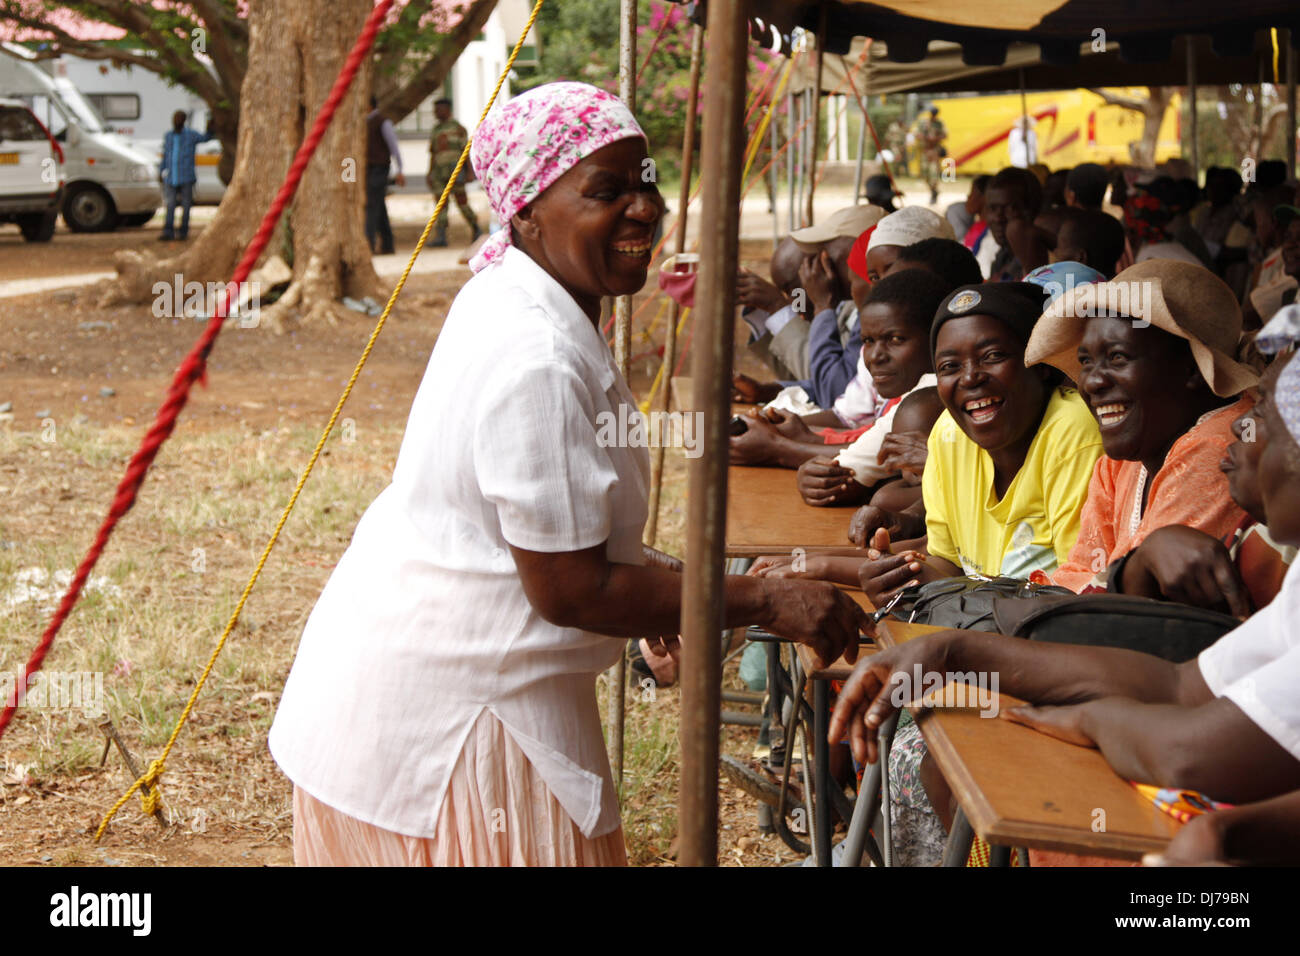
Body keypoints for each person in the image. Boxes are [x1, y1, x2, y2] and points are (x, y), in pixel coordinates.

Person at [267, 82, 869, 867]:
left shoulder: (533, 302)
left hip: (423, 701)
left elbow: (540, 531)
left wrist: (662, 582)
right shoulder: (537, 353)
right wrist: (761, 598)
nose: (645, 209)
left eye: (646, 180)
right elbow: (571, 590)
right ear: (525, 212)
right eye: (605, 189)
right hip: (459, 735)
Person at [829, 344, 1300, 864]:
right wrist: (954, 653)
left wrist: (1091, 720)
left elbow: (1186, 753)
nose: (1239, 429)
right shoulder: (1123, 458)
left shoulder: (1192, 450)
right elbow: (1181, 684)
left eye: (1259, 418)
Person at [1027, 259, 1260, 592]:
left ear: (1194, 369)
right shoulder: (1121, 460)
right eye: (1085, 361)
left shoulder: (1222, 443)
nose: (1091, 381)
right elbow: (1079, 575)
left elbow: (1125, 603)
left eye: (1118, 357)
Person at [427, 97, 481, 248]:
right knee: (440, 204)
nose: (436, 113)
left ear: (447, 110)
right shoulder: (435, 130)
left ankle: (476, 229)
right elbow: (433, 153)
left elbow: (466, 151)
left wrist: (470, 172)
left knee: (462, 202)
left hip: (455, 172)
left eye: (439, 110)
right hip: (439, 172)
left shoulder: (458, 129)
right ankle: (441, 236)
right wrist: (429, 173)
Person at [158, 110, 214, 241]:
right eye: (175, 118)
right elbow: (166, 155)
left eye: (179, 118)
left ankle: (183, 232)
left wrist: (211, 127)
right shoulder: (169, 136)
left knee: (186, 205)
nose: (176, 121)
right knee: (170, 204)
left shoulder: (191, 135)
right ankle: (168, 231)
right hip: (171, 176)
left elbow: (205, 138)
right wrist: (161, 171)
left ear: (183, 121)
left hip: (186, 176)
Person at [984, 166, 1048, 281]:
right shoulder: (1003, 257)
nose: (998, 218)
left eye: (1010, 209)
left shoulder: (1046, 268)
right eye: (992, 208)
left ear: (1032, 210)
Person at [364, 96, 405, 256]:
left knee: (371, 206)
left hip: (379, 169)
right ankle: (388, 244)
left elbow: (393, 147)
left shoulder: (382, 122)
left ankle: (369, 244)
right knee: (378, 205)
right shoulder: (361, 123)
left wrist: (399, 169)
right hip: (367, 170)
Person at [1050, 207, 1126, 278]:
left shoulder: (1067, 290)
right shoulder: (1129, 286)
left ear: (1081, 257)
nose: (1055, 252)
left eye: (1059, 246)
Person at [915, 107, 947, 205]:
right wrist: (926, 138)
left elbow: (945, 135)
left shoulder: (940, 123)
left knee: (933, 174)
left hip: (934, 152)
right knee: (924, 174)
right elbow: (917, 134)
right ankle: (934, 190)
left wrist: (935, 138)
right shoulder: (923, 123)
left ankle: (933, 193)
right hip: (925, 151)